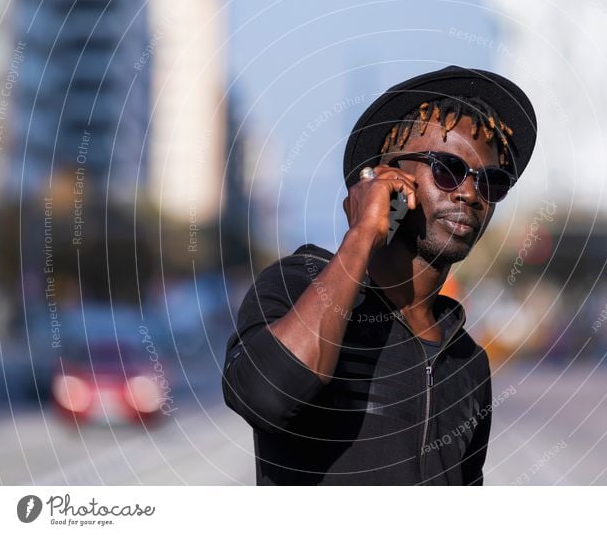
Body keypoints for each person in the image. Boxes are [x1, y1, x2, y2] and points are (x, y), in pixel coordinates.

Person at [222, 65, 537, 485]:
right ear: (385, 178)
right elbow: (263, 397)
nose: (469, 193)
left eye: (491, 182)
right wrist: (363, 234)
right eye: (448, 169)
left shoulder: (467, 360)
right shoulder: (299, 284)